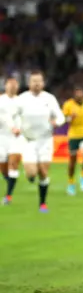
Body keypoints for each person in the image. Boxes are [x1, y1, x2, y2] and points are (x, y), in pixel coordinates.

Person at [14, 71, 65, 212]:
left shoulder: (49, 99)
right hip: (28, 140)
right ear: (29, 83)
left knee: (43, 172)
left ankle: (42, 203)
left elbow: (61, 117)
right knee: (31, 173)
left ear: (43, 83)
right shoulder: (22, 99)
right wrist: (16, 127)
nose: (36, 84)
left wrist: (57, 122)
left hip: (45, 140)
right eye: (34, 81)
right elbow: (14, 116)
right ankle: (30, 175)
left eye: (39, 81)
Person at [62, 88, 83, 195]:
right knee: (72, 161)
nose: (79, 95)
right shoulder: (68, 105)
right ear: (74, 95)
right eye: (77, 94)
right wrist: (70, 118)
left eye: (81, 93)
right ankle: (71, 183)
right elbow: (63, 119)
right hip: (73, 135)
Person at [0, 77, 25, 205]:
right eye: (10, 84)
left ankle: (8, 196)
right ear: (5, 86)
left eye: (15, 85)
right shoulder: (1, 100)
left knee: (13, 164)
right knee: (3, 168)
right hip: (1, 137)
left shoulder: (22, 102)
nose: (12, 87)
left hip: (16, 137)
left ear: (18, 87)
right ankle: (9, 180)